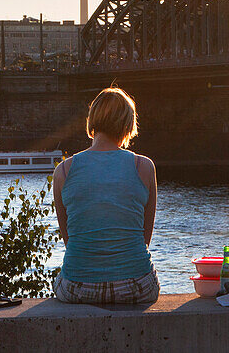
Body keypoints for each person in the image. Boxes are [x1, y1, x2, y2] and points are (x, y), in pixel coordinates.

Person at [51, 86, 160, 304]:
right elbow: (144, 238)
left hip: (77, 287)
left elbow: (69, 239)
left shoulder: (63, 171)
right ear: (128, 125)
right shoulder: (144, 167)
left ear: (92, 122)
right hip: (135, 285)